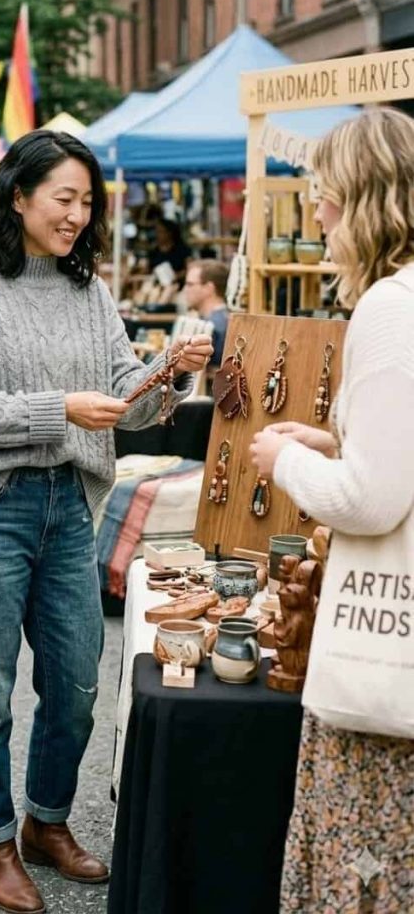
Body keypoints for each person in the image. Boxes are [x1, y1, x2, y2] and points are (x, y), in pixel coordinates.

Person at [0, 130, 212, 913]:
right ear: (18, 196)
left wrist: (169, 377)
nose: (78, 214)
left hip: (73, 506)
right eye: (64, 198)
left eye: (87, 201)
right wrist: (61, 412)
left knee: (76, 685)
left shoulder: (90, 292)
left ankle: (48, 821)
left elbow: (130, 399)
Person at [249, 107, 414, 913]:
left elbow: (373, 501)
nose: (313, 212)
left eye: (324, 194)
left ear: (366, 198)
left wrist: (287, 461)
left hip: (388, 664)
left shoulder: (390, 305)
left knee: (366, 871)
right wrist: (329, 436)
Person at [183, 259, 230, 368]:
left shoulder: (212, 327)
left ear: (209, 288)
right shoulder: (225, 318)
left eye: (190, 284)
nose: (185, 290)